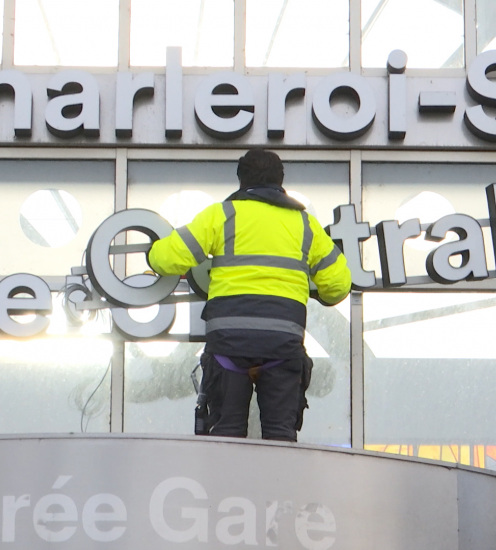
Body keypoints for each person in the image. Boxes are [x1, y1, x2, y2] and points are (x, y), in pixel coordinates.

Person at [147, 148, 351, 442]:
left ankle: (231, 488)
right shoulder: (305, 225)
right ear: (281, 182)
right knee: (280, 436)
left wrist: (150, 256)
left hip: (229, 342)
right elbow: (338, 286)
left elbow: (167, 259)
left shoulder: (222, 215)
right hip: (282, 344)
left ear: (241, 181)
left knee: (228, 435)